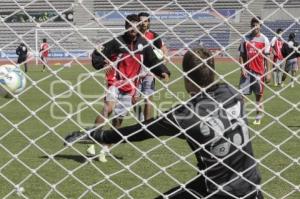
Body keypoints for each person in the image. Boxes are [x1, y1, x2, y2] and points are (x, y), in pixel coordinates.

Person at [65, 46, 264, 199]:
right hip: (251, 186)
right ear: (212, 71)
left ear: (186, 78)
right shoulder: (233, 93)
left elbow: (137, 131)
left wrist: (94, 134)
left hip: (217, 191)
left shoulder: (185, 115)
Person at [84, 14, 170, 162]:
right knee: (108, 108)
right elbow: (97, 53)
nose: (134, 29)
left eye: (136, 26)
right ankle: (94, 137)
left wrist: (163, 71)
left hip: (131, 86)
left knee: (118, 120)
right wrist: (102, 63)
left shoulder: (144, 44)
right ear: (126, 27)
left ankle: (105, 150)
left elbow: (152, 60)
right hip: (115, 82)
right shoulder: (117, 42)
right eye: (131, 26)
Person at [134, 12, 169, 122]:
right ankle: (140, 116)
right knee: (133, 98)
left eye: (146, 21)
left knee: (147, 98)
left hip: (149, 70)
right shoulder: (133, 35)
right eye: (141, 21)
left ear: (149, 22)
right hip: (134, 70)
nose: (143, 23)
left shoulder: (154, 35)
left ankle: (147, 125)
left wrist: (161, 67)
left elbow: (164, 50)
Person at [239, 16, 271, 125]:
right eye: (253, 25)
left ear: (260, 26)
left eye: (257, 25)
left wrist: (268, 73)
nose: (255, 27)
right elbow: (241, 55)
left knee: (259, 96)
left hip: (259, 72)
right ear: (250, 26)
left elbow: (267, 57)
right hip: (246, 72)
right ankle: (242, 117)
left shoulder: (264, 39)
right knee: (241, 95)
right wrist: (242, 68)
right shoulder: (245, 38)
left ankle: (258, 118)